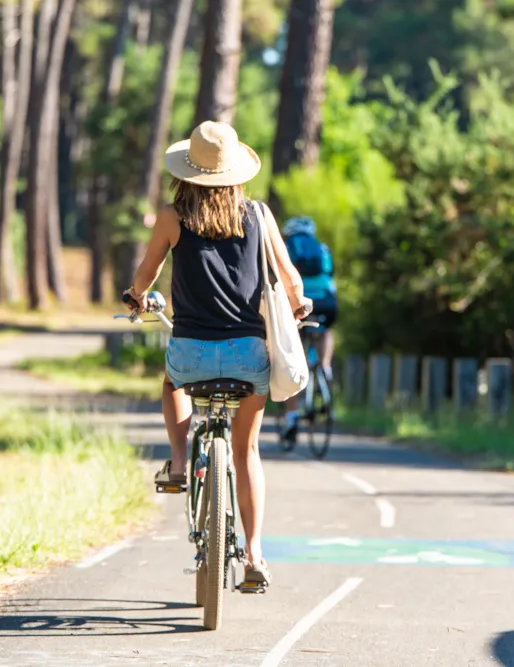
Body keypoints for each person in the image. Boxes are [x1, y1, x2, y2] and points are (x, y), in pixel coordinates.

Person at [123, 120, 312, 587]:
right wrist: (298, 304)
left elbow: (146, 274)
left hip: (192, 353)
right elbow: (289, 278)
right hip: (249, 356)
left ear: (187, 171)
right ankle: (254, 555)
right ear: (235, 172)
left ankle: (180, 462)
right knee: (246, 450)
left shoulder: (172, 218)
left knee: (172, 382)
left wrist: (136, 296)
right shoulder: (259, 214)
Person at [279, 216, 337, 442]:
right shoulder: (323, 249)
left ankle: (291, 416)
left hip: (300, 301)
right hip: (327, 302)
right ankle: (325, 366)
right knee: (326, 329)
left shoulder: (286, 247)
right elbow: (330, 276)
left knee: (291, 357)